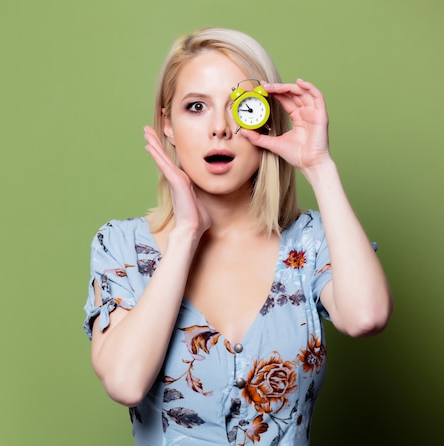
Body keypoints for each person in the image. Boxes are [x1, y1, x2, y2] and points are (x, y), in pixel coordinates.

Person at [82, 27, 392, 445]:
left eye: (239, 107)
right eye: (196, 106)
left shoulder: (310, 241)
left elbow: (366, 317)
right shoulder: (121, 247)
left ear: (264, 118)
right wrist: (188, 233)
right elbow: (125, 383)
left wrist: (318, 166)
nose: (220, 128)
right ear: (166, 124)